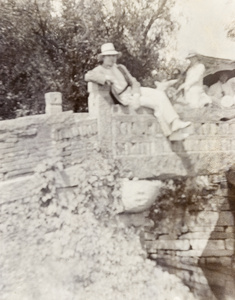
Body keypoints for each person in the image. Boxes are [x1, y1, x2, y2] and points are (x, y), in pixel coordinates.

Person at [85, 43, 191, 141]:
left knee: (159, 94)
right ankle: (171, 134)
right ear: (103, 57)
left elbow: (134, 81)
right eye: (109, 56)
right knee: (155, 105)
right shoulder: (99, 70)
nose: (112, 58)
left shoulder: (120, 68)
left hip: (134, 91)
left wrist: (136, 95)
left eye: (114, 56)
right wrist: (106, 77)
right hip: (124, 97)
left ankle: (175, 122)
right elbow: (88, 75)